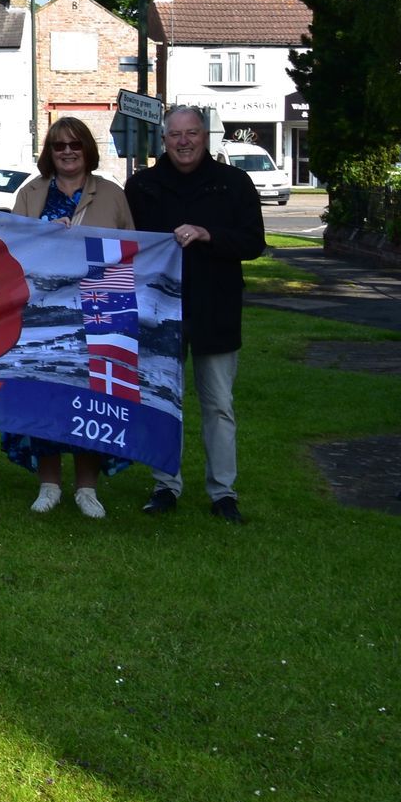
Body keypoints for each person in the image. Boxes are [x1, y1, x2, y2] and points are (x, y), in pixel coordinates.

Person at [126, 106, 265, 524]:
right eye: (175, 135)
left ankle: (223, 491)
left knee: (219, 405)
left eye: (191, 133)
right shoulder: (143, 185)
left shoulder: (233, 183)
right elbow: (124, 242)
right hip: (158, 311)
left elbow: (253, 242)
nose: (183, 142)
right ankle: (165, 485)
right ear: (163, 140)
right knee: (163, 400)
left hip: (215, 309)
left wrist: (209, 235)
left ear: (205, 136)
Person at [2, 117, 136, 519]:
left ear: (87, 150)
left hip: (99, 313)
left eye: (74, 145)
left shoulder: (111, 194)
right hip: (44, 313)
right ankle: (48, 484)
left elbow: (133, 250)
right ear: (49, 152)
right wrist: (44, 232)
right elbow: (12, 249)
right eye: (59, 146)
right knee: (46, 394)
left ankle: (87, 488)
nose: (67, 152)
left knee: (92, 398)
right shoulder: (31, 193)